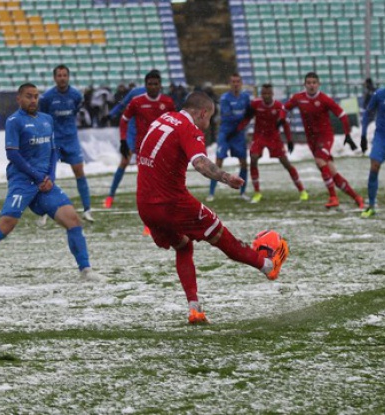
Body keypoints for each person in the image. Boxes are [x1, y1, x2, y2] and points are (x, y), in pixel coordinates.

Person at [136, 91, 289, 324]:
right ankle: (268, 266)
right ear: (203, 113)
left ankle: (195, 309)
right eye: (209, 119)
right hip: (172, 203)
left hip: (145, 205)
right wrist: (226, 177)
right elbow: (199, 163)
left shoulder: (163, 119)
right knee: (221, 236)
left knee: (184, 246)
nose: (208, 125)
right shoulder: (189, 129)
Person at [0, 83, 103, 285]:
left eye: (36, 96)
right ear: (19, 99)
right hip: (23, 181)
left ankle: (86, 270)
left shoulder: (47, 120)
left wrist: (51, 178)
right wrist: (38, 177)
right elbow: (13, 154)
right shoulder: (14, 121)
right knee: (6, 225)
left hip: (45, 182)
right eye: (29, 96)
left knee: (72, 220)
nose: (33, 100)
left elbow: (54, 150)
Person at [280, 72, 363, 209]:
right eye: (309, 83)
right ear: (305, 84)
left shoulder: (324, 99)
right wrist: (282, 118)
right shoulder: (298, 98)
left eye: (314, 82)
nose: (311, 85)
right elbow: (284, 108)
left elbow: (342, 115)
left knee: (319, 161)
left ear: (318, 84)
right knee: (332, 172)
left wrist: (347, 134)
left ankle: (333, 197)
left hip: (325, 137)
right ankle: (357, 197)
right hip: (312, 140)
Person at [103, 70, 176, 210]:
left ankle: (161, 199)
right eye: (150, 83)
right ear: (146, 83)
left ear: (160, 84)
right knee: (125, 161)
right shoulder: (136, 94)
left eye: (156, 83)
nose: (153, 86)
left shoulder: (165, 100)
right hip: (134, 132)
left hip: (153, 136)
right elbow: (123, 106)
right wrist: (110, 115)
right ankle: (110, 196)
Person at [39, 65, 94, 224]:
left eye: (64, 75)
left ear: (68, 77)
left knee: (79, 172)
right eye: (59, 75)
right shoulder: (47, 97)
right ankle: (43, 212)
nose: (62, 78)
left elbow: (76, 111)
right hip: (54, 140)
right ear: (55, 78)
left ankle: (87, 210)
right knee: (48, 176)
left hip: (71, 140)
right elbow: (42, 116)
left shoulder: (76, 95)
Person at [236, 84, 308, 203]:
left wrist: (289, 140)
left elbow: (284, 124)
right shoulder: (255, 104)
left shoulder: (279, 107)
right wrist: (238, 129)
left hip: (274, 138)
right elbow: (247, 118)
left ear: (272, 94)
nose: (266, 96)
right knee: (253, 159)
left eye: (268, 93)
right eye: (264, 93)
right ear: (261, 94)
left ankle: (302, 190)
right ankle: (257, 193)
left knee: (286, 163)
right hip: (259, 136)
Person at [207, 73, 251, 202]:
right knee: (218, 162)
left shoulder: (245, 97)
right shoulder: (225, 98)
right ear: (229, 84)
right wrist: (242, 118)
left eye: (238, 81)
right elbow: (228, 116)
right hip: (225, 133)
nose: (236, 84)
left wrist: (244, 120)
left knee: (243, 163)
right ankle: (211, 193)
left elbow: (248, 114)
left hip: (238, 134)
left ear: (241, 83)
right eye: (233, 82)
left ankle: (242, 192)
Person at [360, 86, 385, 218]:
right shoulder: (380, 94)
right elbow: (367, 113)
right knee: (374, 167)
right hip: (381, 137)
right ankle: (371, 206)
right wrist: (363, 135)